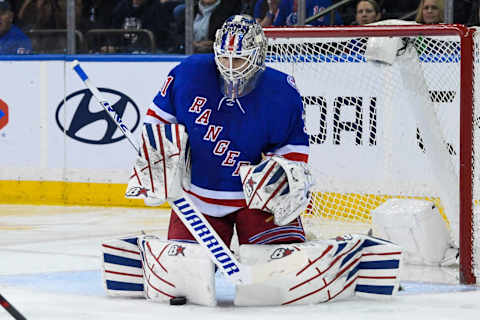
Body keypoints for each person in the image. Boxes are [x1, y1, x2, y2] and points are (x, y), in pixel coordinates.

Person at [269, 0, 343, 26]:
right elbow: (276, 26)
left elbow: (311, 30)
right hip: (291, 48)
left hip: (321, 49)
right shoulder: (285, 2)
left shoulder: (321, 1)